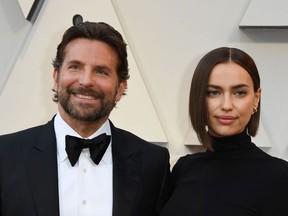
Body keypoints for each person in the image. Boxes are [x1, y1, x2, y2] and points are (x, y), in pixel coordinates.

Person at [0, 21, 171, 216]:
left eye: (101, 71)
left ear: (120, 88)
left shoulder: (153, 163)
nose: (86, 81)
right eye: (75, 67)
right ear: (56, 78)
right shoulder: (5, 156)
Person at [160, 47, 288, 216]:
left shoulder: (279, 175)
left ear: (256, 98)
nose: (226, 105)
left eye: (239, 93)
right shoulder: (184, 167)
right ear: (199, 98)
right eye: (214, 92)